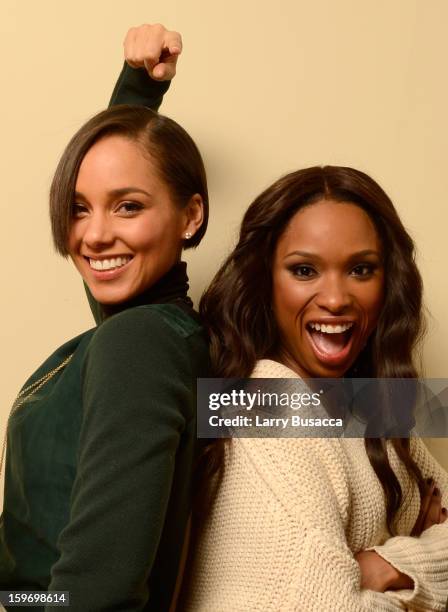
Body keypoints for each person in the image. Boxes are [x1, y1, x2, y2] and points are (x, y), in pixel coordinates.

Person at [0, 25, 209, 611]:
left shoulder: (139, 343)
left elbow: (97, 594)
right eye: (78, 208)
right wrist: (138, 91)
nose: (94, 234)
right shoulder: (152, 330)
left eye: (128, 206)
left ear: (191, 216)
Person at [177, 166, 448, 611]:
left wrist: (387, 564)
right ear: (264, 282)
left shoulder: (368, 400)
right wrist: (422, 560)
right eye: (304, 270)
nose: (337, 298)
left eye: (361, 270)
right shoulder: (259, 403)